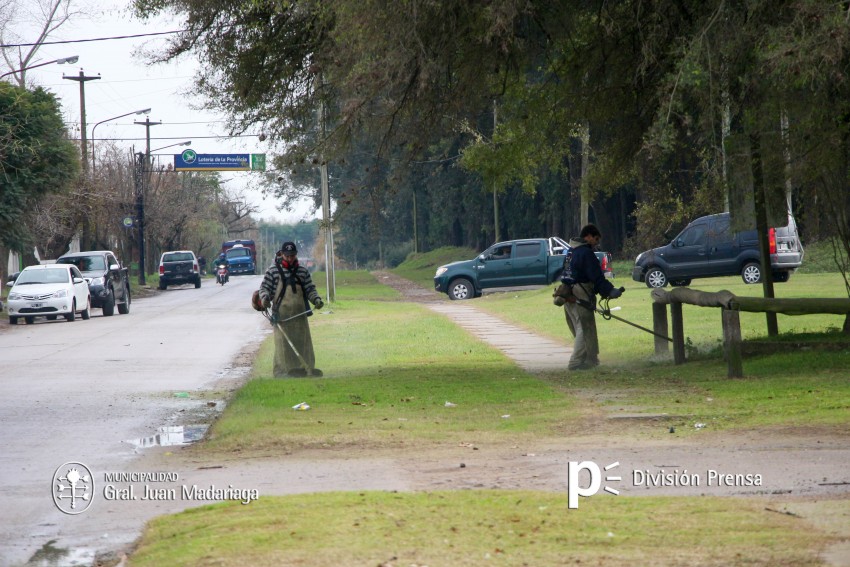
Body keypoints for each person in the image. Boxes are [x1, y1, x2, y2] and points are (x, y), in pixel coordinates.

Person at [258, 241, 325, 377]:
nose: (290, 258)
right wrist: (264, 299)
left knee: (303, 344)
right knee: (284, 347)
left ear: (296, 255)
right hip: (281, 317)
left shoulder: (302, 271)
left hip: (300, 316)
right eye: (287, 256)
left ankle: (305, 369)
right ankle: (283, 372)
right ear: (282, 254)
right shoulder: (273, 271)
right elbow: (264, 288)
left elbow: (309, 289)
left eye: (293, 256)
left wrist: (316, 300)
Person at [563, 224, 622, 370]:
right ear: (588, 236)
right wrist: (610, 290)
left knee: (579, 329)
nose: (596, 243)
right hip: (580, 293)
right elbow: (596, 276)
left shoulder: (571, 251)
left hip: (567, 294)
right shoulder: (585, 253)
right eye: (595, 239)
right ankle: (575, 363)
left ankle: (590, 360)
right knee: (584, 329)